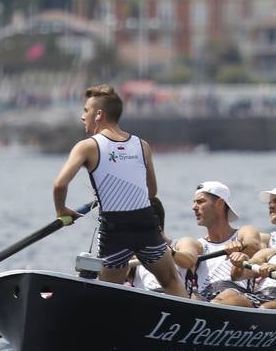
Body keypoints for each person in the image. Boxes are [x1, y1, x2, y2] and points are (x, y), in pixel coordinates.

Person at [52, 84, 187, 296]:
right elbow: (152, 192)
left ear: (98, 114)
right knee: (171, 281)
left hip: (115, 232)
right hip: (146, 226)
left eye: (85, 111)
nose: (82, 116)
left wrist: (61, 210)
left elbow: (59, 185)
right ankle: (186, 324)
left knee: (109, 295)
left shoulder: (87, 146)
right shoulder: (142, 145)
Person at [192, 180, 262, 301]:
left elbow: (253, 245)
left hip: (235, 296)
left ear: (220, 203)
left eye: (200, 202)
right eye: (194, 202)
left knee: (226, 295)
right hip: (204, 298)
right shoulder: (198, 245)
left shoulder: (243, 233)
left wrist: (240, 246)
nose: (194, 207)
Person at [129, 196, 203, 293]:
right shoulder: (133, 254)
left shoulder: (182, 243)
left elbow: (190, 260)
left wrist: (168, 252)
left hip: (173, 300)